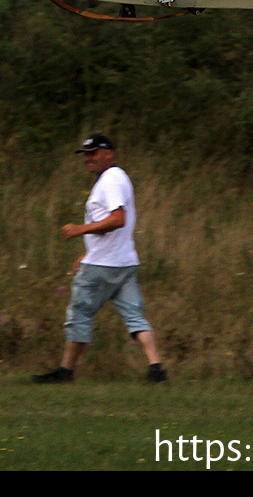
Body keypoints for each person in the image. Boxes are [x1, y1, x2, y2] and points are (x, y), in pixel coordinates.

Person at [33, 133, 167, 383]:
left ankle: (65, 371)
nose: (88, 159)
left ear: (109, 154)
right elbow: (114, 224)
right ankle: (156, 366)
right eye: (85, 154)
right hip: (124, 262)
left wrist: (79, 230)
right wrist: (88, 251)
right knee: (135, 316)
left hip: (103, 265)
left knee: (80, 313)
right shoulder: (118, 178)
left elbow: (118, 219)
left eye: (93, 153)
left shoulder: (111, 180)